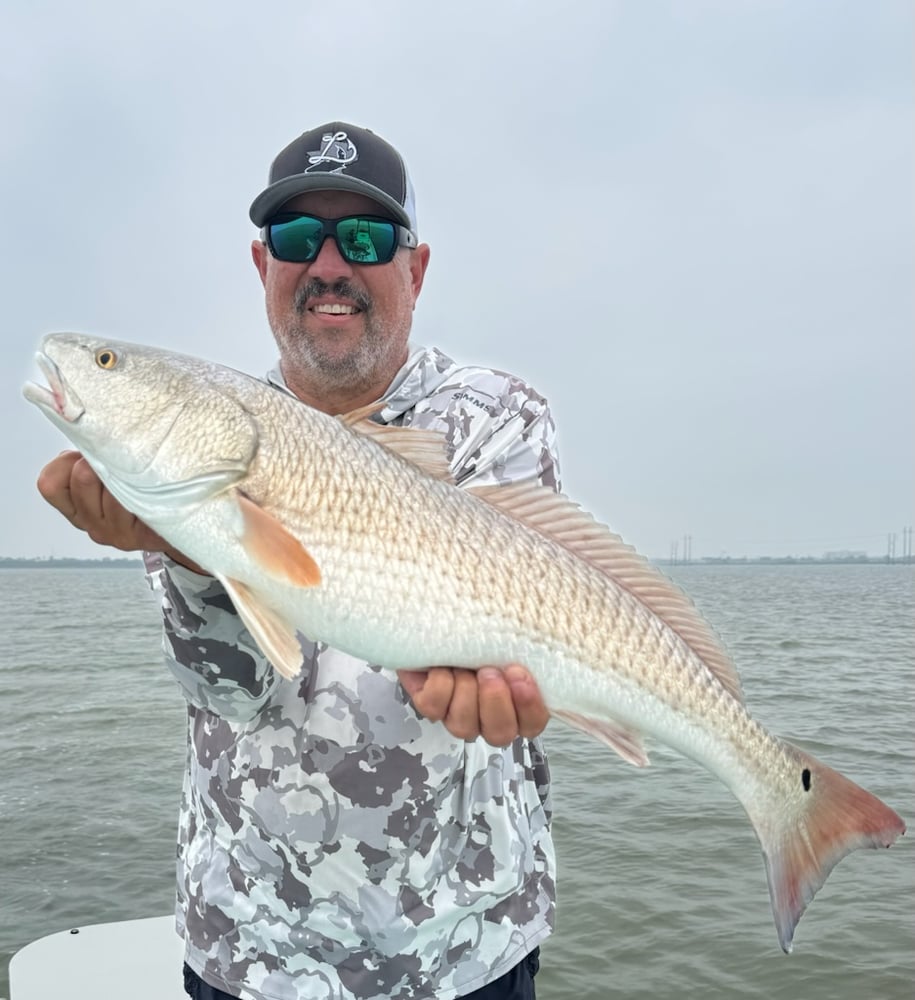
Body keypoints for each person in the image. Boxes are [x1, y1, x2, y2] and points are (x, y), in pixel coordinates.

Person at [37, 122, 562, 1000]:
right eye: (294, 238)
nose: (327, 263)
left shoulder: (495, 416)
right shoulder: (202, 442)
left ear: (415, 270)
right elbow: (231, 692)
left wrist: (509, 689)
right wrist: (184, 549)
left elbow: (530, 645)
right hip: (250, 948)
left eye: (363, 238)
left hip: (462, 948)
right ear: (261, 267)